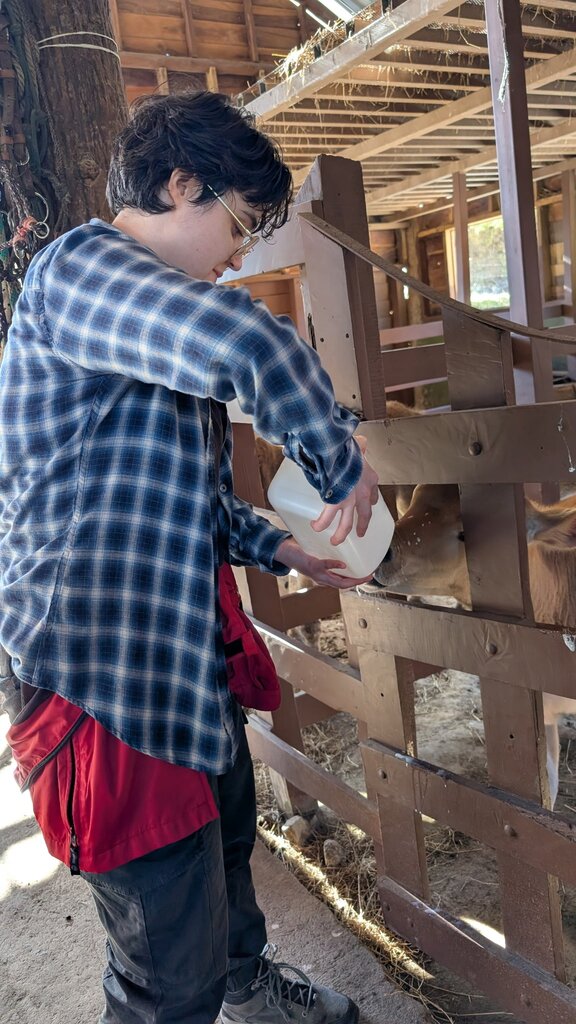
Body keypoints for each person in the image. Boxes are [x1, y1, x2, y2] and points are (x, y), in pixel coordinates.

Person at [0, 91, 380, 1024]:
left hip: (179, 652)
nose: (239, 255)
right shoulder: (79, 271)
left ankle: (247, 987)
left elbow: (190, 500)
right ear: (180, 185)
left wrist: (280, 544)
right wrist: (339, 462)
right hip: (103, 676)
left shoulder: (149, 328)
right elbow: (249, 339)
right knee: (164, 960)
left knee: (223, 849)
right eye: (240, 225)